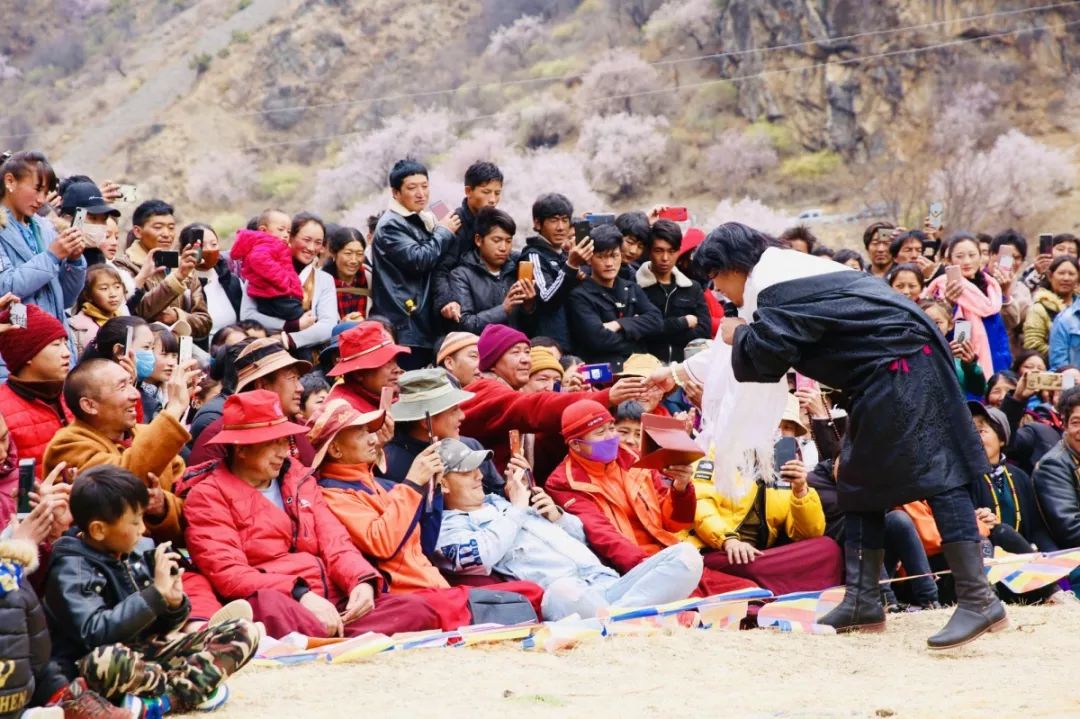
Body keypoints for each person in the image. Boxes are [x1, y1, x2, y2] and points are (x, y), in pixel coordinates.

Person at [658, 222, 1005, 649]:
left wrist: (738, 334)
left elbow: (768, 352)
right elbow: (736, 351)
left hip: (902, 367)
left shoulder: (776, 283)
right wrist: (674, 373)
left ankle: (977, 597)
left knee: (939, 474)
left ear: (733, 266)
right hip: (884, 372)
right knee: (857, 478)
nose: (717, 292)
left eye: (716, 280)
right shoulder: (780, 274)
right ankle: (864, 599)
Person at [179, 390, 440, 639]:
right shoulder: (207, 496)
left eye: (285, 441)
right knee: (269, 608)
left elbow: (335, 543)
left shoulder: (299, 479)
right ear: (241, 449)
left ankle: (328, 637)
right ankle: (327, 635)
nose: (283, 451)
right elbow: (230, 574)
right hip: (283, 601)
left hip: (333, 601)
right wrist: (300, 593)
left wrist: (361, 581)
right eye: (272, 443)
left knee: (418, 610)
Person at [44, 465, 257, 715]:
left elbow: (158, 629)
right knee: (106, 659)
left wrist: (174, 604)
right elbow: (95, 633)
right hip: (100, 667)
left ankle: (164, 701)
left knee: (243, 630)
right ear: (99, 530)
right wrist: (155, 595)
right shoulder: (72, 568)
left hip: (145, 661)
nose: (143, 529)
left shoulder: (129, 552)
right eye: (135, 522)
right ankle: (189, 688)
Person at [309, 403, 541, 629]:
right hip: (409, 595)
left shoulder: (380, 485)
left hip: (432, 586)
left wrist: (432, 490)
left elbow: (425, 546)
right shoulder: (332, 494)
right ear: (336, 450)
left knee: (531, 592)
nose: (373, 438)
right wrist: (412, 483)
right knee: (518, 605)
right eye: (360, 434)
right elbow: (382, 543)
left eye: (369, 431)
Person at [433, 438, 703, 620]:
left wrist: (557, 517)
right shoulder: (446, 525)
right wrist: (517, 508)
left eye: (478, 469)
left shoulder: (502, 502)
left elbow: (583, 538)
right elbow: (479, 558)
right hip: (566, 597)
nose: (479, 475)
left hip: (609, 583)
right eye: (467, 471)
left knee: (687, 556)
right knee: (565, 592)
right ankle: (631, 620)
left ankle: (619, 620)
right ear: (443, 483)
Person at [544, 400, 755, 596]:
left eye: (611, 428)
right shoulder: (564, 482)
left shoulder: (634, 459)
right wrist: (652, 567)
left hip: (669, 552)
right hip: (630, 570)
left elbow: (674, 523)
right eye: (600, 433)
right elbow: (602, 535)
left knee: (747, 592)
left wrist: (680, 487)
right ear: (575, 445)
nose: (611, 437)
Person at [458, 324, 646, 481]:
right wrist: (604, 397)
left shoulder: (505, 391)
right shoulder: (483, 391)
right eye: (515, 353)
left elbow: (543, 454)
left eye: (527, 352)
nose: (525, 360)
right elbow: (532, 407)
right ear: (492, 361)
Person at [43, 357, 192, 544]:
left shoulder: (147, 434)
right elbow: (122, 484)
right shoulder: (67, 445)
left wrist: (163, 508)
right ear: (89, 405)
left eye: (131, 383)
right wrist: (174, 409)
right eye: (122, 387)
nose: (135, 395)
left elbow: (192, 508)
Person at [682, 447, 843, 595]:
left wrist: (801, 490)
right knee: (751, 567)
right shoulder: (715, 456)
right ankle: (775, 590)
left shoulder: (779, 465)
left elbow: (808, 534)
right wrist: (729, 540)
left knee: (828, 548)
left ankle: (770, 589)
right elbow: (700, 504)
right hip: (719, 551)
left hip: (758, 556)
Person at [380, 369, 505, 556]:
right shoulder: (387, 465)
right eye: (454, 410)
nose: (462, 416)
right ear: (425, 420)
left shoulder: (469, 445)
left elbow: (498, 493)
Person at [370, 160, 460, 369]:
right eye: (412, 188)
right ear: (395, 193)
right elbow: (420, 259)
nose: (421, 193)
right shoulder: (391, 224)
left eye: (425, 186)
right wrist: (443, 231)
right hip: (406, 325)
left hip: (422, 323)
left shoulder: (422, 219)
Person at [0, 151, 86, 370]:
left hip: (55, 348)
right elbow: (6, 288)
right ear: (10, 181)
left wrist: (74, 263)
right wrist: (52, 256)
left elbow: (65, 300)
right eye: (36, 189)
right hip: (16, 352)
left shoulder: (46, 228)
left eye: (46, 192)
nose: (41, 200)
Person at [187, 338, 313, 466]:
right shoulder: (219, 436)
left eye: (298, 378)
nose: (300, 388)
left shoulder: (301, 427)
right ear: (262, 385)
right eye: (292, 378)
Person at [566, 224, 663, 370]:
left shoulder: (631, 288)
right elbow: (598, 339)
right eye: (601, 257)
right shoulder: (580, 295)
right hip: (603, 373)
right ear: (589, 259)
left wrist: (619, 324)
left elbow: (657, 321)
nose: (609, 263)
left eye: (614, 256)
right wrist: (638, 335)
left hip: (638, 369)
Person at [241, 212, 338, 352]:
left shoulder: (324, 280)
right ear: (290, 237)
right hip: (265, 350)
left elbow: (328, 324)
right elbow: (248, 315)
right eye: (306, 239)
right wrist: (290, 325)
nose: (311, 248)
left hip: (310, 353)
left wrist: (290, 340)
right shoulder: (262, 266)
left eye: (318, 243)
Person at [116, 200, 211, 341]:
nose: (166, 234)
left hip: (180, 347)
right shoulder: (123, 266)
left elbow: (205, 323)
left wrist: (177, 316)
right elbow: (134, 312)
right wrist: (177, 278)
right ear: (138, 231)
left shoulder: (184, 266)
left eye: (171, 227)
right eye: (158, 227)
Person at [0, 303, 73, 478]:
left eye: (65, 343)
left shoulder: (75, 393)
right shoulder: (2, 409)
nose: (67, 353)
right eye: (56, 345)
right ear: (27, 355)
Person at [925, 233, 1011, 377]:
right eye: (959, 256)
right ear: (949, 260)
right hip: (958, 366)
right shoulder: (941, 289)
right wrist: (948, 306)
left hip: (996, 361)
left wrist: (1006, 292)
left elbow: (1002, 331)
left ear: (981, 257)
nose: (966, 261)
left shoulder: (992, 288)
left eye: (972, 255)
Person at [432, 161, 504, 325]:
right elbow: (440, 271)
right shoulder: (454, 224)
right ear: (468, 191)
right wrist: (447, 301)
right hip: (459, 309)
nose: (493, 199)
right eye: (486, 192)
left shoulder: (496, 223)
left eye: (497, 193)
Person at [520, 193, 593, 348]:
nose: (560, 227)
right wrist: (571, 267)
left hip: (576, 344)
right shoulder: (533, 255)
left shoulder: (565, 254)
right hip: (550, 347)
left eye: (565, 220)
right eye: (553, 220)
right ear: (538, 223)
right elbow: (546, 299)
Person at [448, 207, 534, 334]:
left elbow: (529, 328)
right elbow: (464, 324)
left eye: (508, 241)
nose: (503, 248)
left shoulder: (516, 270)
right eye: (497, 240)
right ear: (478, 240)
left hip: (516, 349)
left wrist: (528, 307)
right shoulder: (461, 275)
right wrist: (503, 310)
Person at [637, 220, 710, 363]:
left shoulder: (692, 287)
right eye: (659, 250)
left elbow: (704, 331)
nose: (665, 258)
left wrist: (661, 331)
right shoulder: (636, 286)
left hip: (684, 369)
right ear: (649, 251)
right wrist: (682, 323)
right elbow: (639, 332)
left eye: (671, 251)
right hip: (647, 370)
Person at [1031, 388, 1080, 565]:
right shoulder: (1053, 465)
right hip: (1070, 561)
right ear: (1064, 425)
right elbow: (1071, 530)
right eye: (1076, 422)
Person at [229, 226, 308, 330]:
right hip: (278, 297)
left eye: (288, 232)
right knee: (301, 316)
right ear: (263, 230)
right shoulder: (268, 244)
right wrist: (285, 282)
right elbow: (258, 259)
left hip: (273, 298)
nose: (285, 234)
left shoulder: (270, 246)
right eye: (280, 229)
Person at [323, 321, 408, 413]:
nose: (397, 370)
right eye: (386, 362)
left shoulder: (387, 396)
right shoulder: (343, 412)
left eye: (395, 361)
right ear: (359, 373)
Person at [181, 224, 241, 342]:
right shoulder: (178, 284)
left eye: (213, 244)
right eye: (201, 245)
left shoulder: (231, 281)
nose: (209, 249)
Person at [919, 299, 986, 399]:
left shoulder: (959, 357)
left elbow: (979, 390)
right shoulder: (910, 354)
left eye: (937, 322)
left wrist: (970, 365)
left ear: (950, 325)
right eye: (924, 322)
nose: (930, 327)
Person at [68, 265, 128, 357]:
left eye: (117, 287)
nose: (113, 294)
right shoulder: (76, 328)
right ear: (88, 295)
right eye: (104, 288)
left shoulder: (125, 321)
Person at [1024, 256, 1079, 356]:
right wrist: (1069, 355)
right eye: (1061, 273)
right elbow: (1033, 344)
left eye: (1071, 274)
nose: (1066, 278)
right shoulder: (1039, 308)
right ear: (1050, 276)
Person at [323, 225, 369, 321]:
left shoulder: (370, 279)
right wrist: (342, 325)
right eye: (348, 253)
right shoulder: (321, 282)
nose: (354, 260)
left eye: (359, 254)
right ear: (334, 253)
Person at [614, 211, 650, 279]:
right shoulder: (594, 269)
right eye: (630, 242)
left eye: (640, 246)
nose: (633, 251)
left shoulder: (636, 275)